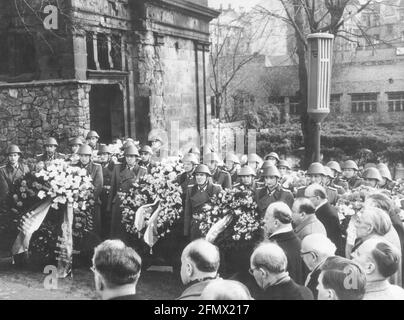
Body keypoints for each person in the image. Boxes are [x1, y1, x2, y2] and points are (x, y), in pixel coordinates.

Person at [351, 206, 402, 287]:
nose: (355, 225)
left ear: (369, 229)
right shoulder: (385, 245)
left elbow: (354, 284)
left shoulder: (371, 250)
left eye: (358, 222)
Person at [107, 145, 147, 241]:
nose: (129, 159)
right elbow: (113, 188)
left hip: (133, 205)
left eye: (132, 156)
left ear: (136, 158)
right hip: (119, 204)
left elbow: (144, 191)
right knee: (117, 233)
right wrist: (109, 206)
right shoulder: (118, 168)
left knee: (130, 232)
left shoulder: (142, 170)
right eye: (127, 156)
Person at [263, 202, 305, 284]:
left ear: (276, 223)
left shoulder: (271, 249)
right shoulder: (301, 244)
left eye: (267, 218)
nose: (264, 220)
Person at [0, 145, 30, 253]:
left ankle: (23, 250)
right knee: (10, 228)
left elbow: (28, 185)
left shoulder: (25, 168)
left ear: (18, 156)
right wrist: (11, 204)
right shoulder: (2, 170)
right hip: (8, 204)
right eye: (10, 156)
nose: (12, 158)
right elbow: (4, 191)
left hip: (24, 203)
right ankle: (10, 251)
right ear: (7, 157)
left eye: (15, 155)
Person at [184, 164, 222, 240]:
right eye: (197, 175)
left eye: (202, 175)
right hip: (195, 226)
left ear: (207, 177)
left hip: (210, 227)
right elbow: (187, 212)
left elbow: (220, 211)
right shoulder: (191, 190)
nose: (199, 177)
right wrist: (186, 232)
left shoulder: (216, 189)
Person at [305, 183, 344, 256]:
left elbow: (329, 240)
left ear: (317, 198)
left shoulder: (328, 214)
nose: (305, 200)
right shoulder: (323, 209)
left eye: (307, 197)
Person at [77, 144, 103, 237]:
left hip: (92, 202)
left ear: (90, 156)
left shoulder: (96, 167)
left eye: (86, 156)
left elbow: (98, 186)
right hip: (77, 203)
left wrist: (88, 199)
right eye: (81, 156)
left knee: (93, 228)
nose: (83, 158)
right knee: (78, 226)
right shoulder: (75, 167)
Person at [300, 234, 337, 298]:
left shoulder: (316, 281)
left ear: (313, 256)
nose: (302, 258)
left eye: (302, 254)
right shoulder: (344, 266)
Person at [98, 144, 115, 239]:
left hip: (110, 195)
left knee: (109, 218)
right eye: (100, 155)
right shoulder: (99, 166)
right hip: (100, 195)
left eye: (104, 154)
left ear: (109, 156)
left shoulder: (114, 166)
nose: (102, 156)